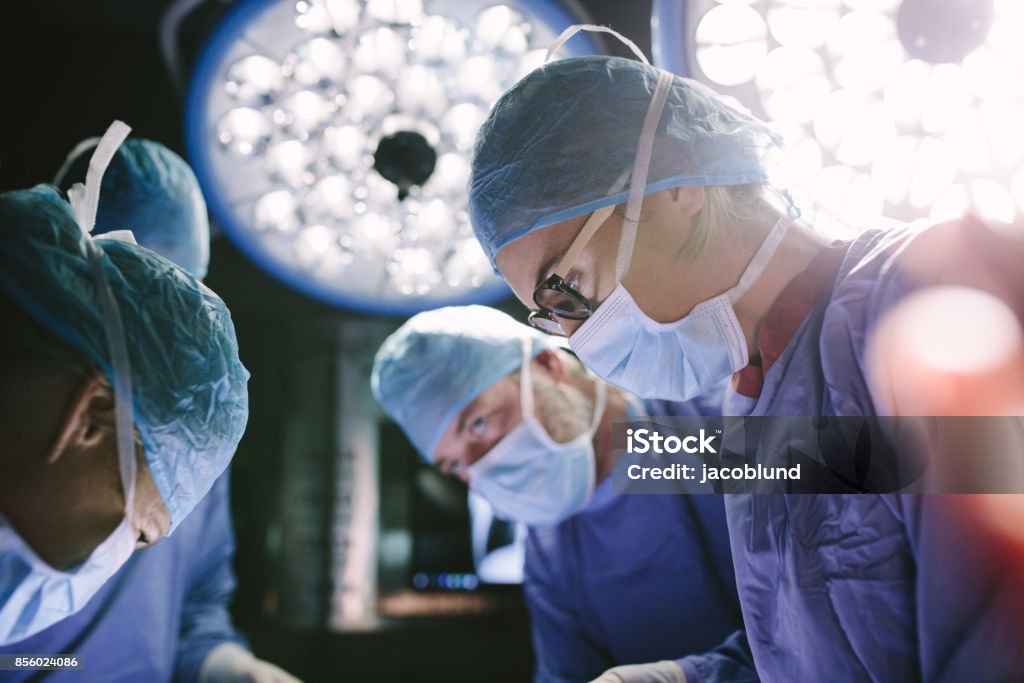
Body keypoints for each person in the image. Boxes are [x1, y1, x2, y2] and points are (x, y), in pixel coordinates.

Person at [468, 29, 1024, 683]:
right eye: (553, 318)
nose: (580, 337)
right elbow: (821, 647)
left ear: (674, 186)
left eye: (567, 290)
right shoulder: (755, 404)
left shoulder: (934, 287)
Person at [0, 130, 294, 682]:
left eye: (179, 299)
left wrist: (231, 669)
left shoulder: (185, 439)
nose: (162, 323)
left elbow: (196, 609)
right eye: (134, 288)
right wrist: (54, 665)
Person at [372, 305, 749, 683]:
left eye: (479, 424)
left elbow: (809, 626)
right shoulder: (549, 553)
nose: (480, 467)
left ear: (548, 366)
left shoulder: (728, 425)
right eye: (454, 465)